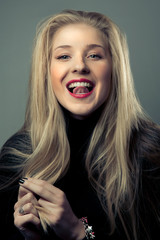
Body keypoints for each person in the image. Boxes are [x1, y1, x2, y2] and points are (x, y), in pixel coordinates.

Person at [0, 9, 160, 240]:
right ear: (47, 72)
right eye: (64, 56)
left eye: (94, 55)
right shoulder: (18, 154)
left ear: (115, 68)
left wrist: (78, 232)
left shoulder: (151, 152)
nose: (79, 66)